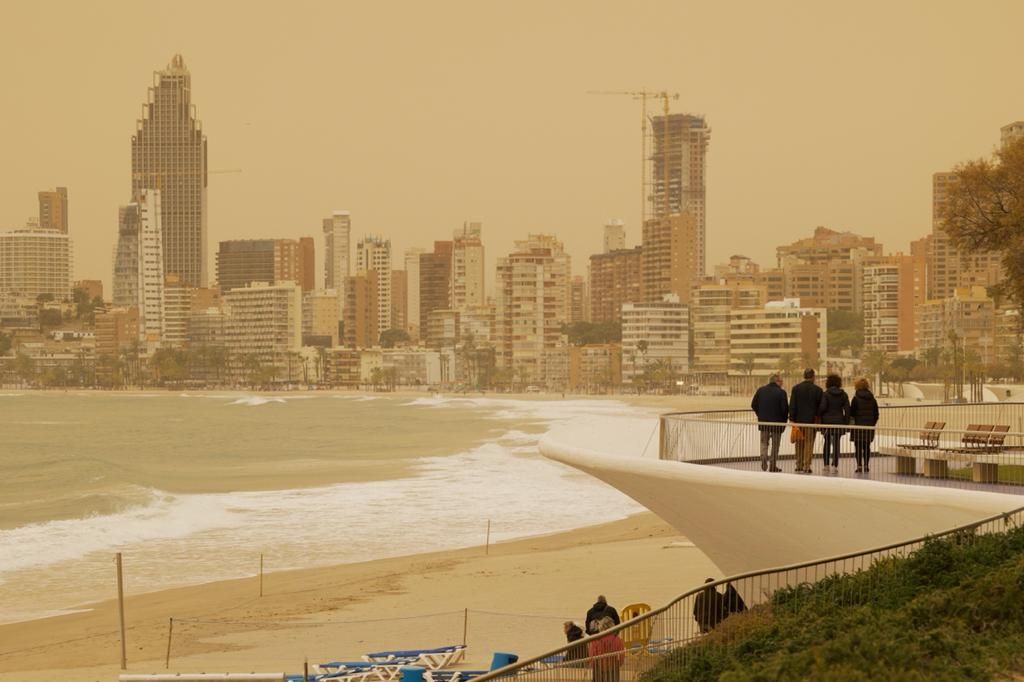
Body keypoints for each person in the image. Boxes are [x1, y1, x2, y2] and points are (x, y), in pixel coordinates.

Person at [751, 374, 789, 472]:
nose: (782, 383)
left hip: (764, 423)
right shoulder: (781, 393)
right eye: (781, 381)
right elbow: (785, 410)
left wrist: (760, 415)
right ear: (777, 382)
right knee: (775, 446)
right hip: (777, 424)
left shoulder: (761, 390)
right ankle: (773, 466)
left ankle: (763, 460)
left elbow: (753, 404)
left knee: (764, 443)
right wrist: (783, 423)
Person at [789, 368, 824, 474]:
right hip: (811, 421)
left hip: (798, 421)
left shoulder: (796, 388)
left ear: (804, 376)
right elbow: (820, 407)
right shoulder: (818, 390)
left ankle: (798, 464)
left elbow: (792, 404)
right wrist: (817, 417)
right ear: (813, 377)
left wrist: (792, 418)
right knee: (809, 443)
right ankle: (806, 466)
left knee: (799, 443)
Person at [818, 374, 850, 474]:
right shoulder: (843, 394)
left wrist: (819, 415)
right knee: (836, 443)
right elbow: (847, 410)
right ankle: (835, 465)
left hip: (827, 422)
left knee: (827, 443)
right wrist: (845, 422)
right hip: (839, 422)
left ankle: (826, 465)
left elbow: (822, 408)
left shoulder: (826, 394)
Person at [849, 377, 880, 473]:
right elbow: (876, 414)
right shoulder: (872, 399)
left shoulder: (855, 399)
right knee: (867, 446)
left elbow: (852, 413)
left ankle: (859, 466)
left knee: (858, 446)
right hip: (868, 426)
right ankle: (866, 465)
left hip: (858, 426)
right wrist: (872, 423)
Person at [587, 616, 625, 682]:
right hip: (613, 669)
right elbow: (621, 658)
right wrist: (618, 664)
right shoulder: (618, 640)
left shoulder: (595, 640)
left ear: (601, 626)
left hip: (598, 669)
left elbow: (591, 658)